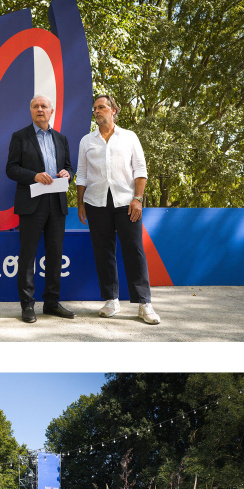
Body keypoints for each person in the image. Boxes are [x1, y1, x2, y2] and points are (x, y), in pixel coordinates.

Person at [75, 94, 160, 324]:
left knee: (134, 250)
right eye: (95, 108)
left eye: (101, 107)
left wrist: (138, 199)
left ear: (113, 110)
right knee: (103, 252)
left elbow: (140, 169)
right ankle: (111, 300)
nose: (97, 111)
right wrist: (80, 203)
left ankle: (144, 304)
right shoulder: (86, 141)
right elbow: (81, 174)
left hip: (127, 203)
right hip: (96, 203)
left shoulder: (129, 137)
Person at [5, 95, 74, 323]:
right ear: (31, 111)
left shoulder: (61, 138)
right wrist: (34, 176)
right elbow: (11, 169)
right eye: (35, 106)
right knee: (28, 255)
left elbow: (69, 168)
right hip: (31, 203)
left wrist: (67, 174)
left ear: (51, 111)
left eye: (44, 106)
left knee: (55, 255)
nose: (40, 109)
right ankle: (27, 305)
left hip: (57, 203)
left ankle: (51, 303)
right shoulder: (20, 137)